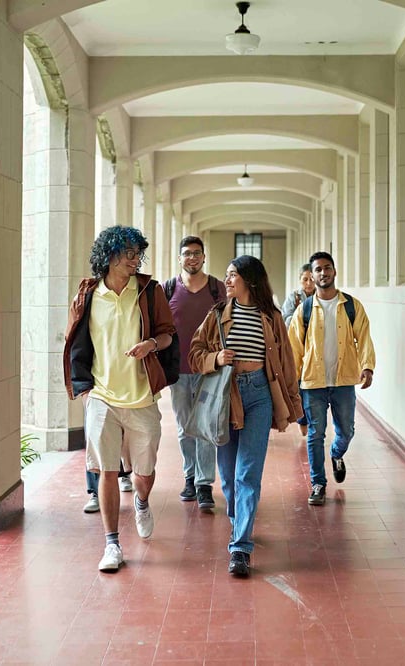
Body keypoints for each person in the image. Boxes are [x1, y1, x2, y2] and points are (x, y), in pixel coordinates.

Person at [63, 226, 176, 572]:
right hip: (101, 397)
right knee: (106, 471)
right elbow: (74, 342)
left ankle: (141, 500)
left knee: (144, 472)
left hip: (141, 398)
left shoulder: (149, 290)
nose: (135, 260)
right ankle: (112, 544)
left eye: (138, 254)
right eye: (129, 254)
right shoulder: (88, 294)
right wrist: (84, 392)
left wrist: (150, 345)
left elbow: (169, 334)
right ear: (110, 255)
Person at [190, 255, 303, 577]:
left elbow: (286, 361)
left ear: (249, 280)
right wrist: (216, 357)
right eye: (226, 276)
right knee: (227, 474)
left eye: (232, 276)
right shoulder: (216, 315)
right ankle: (240, 520)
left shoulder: (271, 317)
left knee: (247, 473)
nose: (226, 281)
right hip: (227, 396)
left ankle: (240, 546)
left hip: (259, 396)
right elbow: (195, 354)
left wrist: (293, 403)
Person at [288, 251, 376, 507]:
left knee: (346, 429)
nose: (323, 273)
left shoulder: (351, 305)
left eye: (327, 268)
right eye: (318, 269)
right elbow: (295, 348)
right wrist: (293, 381)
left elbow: (365, 337)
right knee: (315, 434)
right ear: (312, 275)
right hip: (313, 382)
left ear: (334, 272)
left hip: (343, 381)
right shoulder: (304, 310)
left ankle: (337, 454)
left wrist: (367, 366)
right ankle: (318, 483)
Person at [164, 236, 227, 509]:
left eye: (197, 253)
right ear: (180, 258)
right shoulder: (167, 289)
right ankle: (189, 475)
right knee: (183, 428)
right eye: (187, 254)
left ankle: (203, 484)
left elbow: (228, 325)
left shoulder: (217, 289)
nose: (192, 258)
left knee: (205, 426)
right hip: (178, 371)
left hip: (208, 369)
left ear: (204, 257)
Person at [280, 263, 316, 328]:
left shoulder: (321, 297)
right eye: (305, 279)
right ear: (300, 280)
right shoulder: (293, 297)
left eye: (312, 279)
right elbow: (285, 318)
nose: (309, 283)